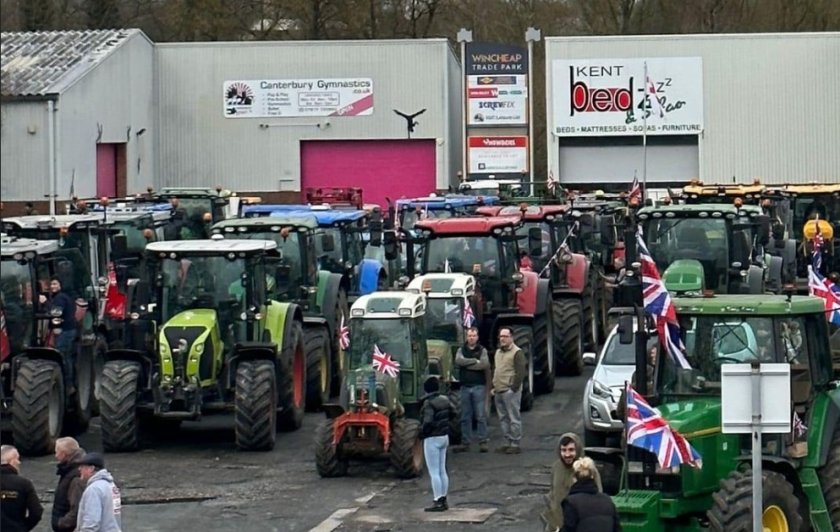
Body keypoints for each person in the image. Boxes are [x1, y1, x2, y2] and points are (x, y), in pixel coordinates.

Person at [542, 433, 603, 531]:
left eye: (571, 450)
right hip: (557, 525)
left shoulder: (587, 469)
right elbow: (553, 493)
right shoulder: (556, 467)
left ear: (577, 450)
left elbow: (598, 496)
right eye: (563, 450)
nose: (567, 454)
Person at [452, 327, 490, 453]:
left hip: (479, 386)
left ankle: (483, 441)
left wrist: (466, 364)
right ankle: (465, 442)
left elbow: (484, 364)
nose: (471, 338)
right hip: (464, 387)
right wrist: (474, 361)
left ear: (477, 337)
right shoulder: (461, 350)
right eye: (469, 335)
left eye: (473, 335)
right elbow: (458, 361)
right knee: (465, 416)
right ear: (466, 337)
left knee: (480, 415)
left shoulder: (482, 350)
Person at [420, 376, 455, 512]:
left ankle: (437, 500)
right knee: (442, 470)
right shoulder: (445, 400)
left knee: (434, 472)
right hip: (444, 436)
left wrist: (422, 433)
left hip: (432, 438)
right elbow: (454, 413)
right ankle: (444, 499)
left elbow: (428, 421)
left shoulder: (428, 403)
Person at [560, 457, 620, 532]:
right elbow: (617, 529)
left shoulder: (571, 502)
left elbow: (569, 529)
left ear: (574, 478)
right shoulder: (607, 500)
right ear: (592, 476)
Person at [491, 327, 526, 454]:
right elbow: (496, 370)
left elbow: (521, 372)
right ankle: (507, 442)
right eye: (500, 336)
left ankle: (515, 443)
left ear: (511, 337)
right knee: (503, 418)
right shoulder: (498, 353)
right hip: (498, 390)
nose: (502, 339)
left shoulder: (517, 352)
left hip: (510, 391)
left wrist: (513, 389)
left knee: (513, 417)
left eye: (505, 336)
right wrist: (493, 387)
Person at [40, 277, 77, 395]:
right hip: (69, 330)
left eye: (55, 283)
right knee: (66, 356)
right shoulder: (64, 296)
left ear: (61, 285)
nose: (52, 286)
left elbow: (55, 312)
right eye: (51, 284)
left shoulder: (60, 298)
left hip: (65, 331)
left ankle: (68, 385)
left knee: (63, 357)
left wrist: (45, 302)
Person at [0, 444, 43, 532]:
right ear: (10, 461)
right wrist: (23, 528)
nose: (19, 462)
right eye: (17, 459)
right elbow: (36, 512)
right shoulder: (23, 484)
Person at [76, 452, 122, 532]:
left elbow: (91, 522)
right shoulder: (110, 485)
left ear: (91, 469)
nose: (79, 469)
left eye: (82, 466)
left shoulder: (94, 489)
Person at [52, 437, 86, 532]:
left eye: (56, 452)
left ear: (63, 454)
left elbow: (77, 508)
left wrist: (62, 523)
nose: (55, 456)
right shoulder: (69, 470)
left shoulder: (75, 476)